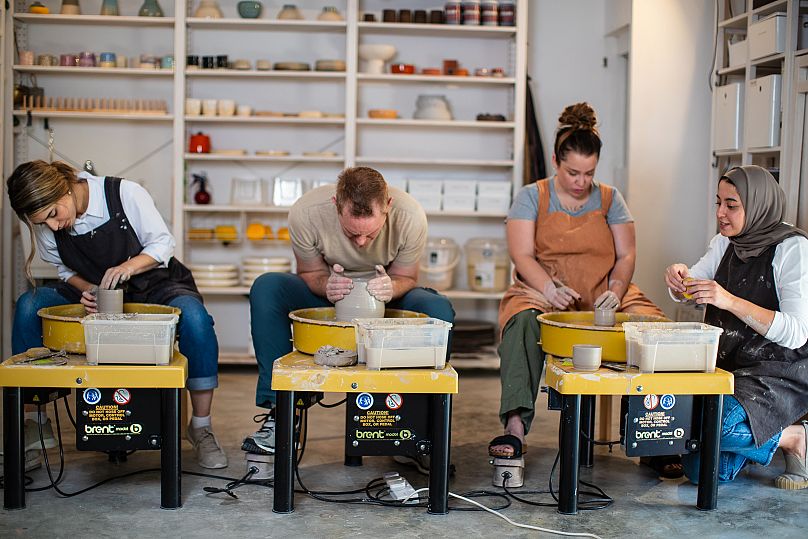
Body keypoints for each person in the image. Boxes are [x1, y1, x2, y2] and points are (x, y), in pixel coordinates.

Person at [6, 160, 227, 469]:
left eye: (54, 214)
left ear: (65, 189)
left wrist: (127, 268)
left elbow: (163, 244)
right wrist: (88, 289)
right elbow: (64, 269)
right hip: (97, 290)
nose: (54, 226)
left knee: (195, 318)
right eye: (44, 222)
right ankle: (35, 422)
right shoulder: (48, 224)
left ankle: (201, 427)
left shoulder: (125, 194)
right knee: (30, 305)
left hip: (151, 283)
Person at [489, 103, 665, 466]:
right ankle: (515, 426)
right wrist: (549, 290)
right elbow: (522, 255)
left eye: (589, 173)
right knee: (521, 325)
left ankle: (654, 436)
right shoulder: (532, 196)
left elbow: (626, 255)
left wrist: (615, 292)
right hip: (543, 290)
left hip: (602, 291)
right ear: (555, 161)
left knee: (655, 330)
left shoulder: (610, 198)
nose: (581, 182)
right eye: (573, 173)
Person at [245, 166, 455, 455]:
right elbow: (309, 272)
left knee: (436, 308)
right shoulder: (305, 213)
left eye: (370, 234)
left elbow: (407, 276)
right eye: (351, 232)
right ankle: (282, 411)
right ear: (336, 205)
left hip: (386, 296)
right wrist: (326, 285)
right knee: (267, 286)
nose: (360, 242)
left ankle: (418, 425)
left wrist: (390, 288)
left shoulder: (410, 215)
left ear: (387, 207)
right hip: (332, 293)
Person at [665, 165, 808, 490]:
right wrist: (677, 279)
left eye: (731, 205)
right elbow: (692, 288)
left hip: (779, 373)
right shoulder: (724, 242)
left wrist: (728, 301)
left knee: (713, 427)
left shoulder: (793, 249)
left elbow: (797, 331)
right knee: (703, 472)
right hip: (728, 368)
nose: (720, 213)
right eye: (718, 202)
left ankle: (794, 437)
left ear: (758, 204)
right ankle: (753, 440)